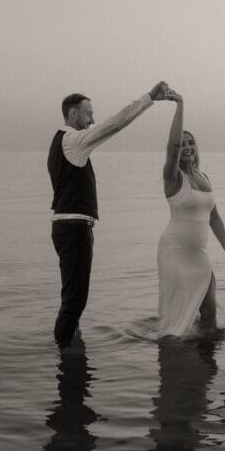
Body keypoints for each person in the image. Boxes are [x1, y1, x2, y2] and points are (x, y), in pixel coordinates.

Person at [48, 82, 169, 349]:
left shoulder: (63, 143)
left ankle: (70, 347)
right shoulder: (73, 141)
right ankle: (65, 355)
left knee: (72, 297)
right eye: (88, 113)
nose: (93, 119)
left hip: (68, 227)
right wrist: (149, 98)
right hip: (73, 229)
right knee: (74, 300)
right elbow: (115, 124)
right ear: (72, 115)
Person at [156, 89, 225, 339]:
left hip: (198, 254)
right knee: (178, 319)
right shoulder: (173, 176)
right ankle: (178, 363)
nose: (187, 148)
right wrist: (180, 104)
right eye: (184, 145)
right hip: (175, 253)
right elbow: (173, 144)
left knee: (210, 313)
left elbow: (215, 218)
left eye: (192, 143)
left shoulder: (204, 177)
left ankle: (205, 364)